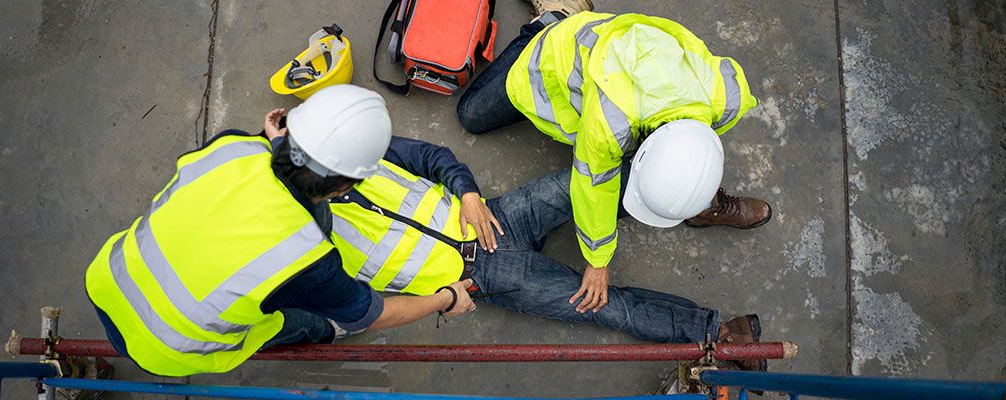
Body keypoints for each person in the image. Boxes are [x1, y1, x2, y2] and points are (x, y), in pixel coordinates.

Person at [261, 126, 769, 371]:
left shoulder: (349, 151)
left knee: (589, 184)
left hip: (494, 214)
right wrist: (445, 298)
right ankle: (720, 335)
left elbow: (430, 156)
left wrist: (468, 194)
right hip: (480, 275)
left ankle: (690, 201)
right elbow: (350, 315)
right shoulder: (307, 255)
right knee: (601, 304)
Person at [83, 85, 475, 377]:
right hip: (167, 346)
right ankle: (324, 331)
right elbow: (374, 314)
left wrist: (274, 145)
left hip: (108, 278)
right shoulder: (307, 257)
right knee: (304, 320)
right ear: (343, 188)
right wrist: (445, 298)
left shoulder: (232, 145)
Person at [456, 1, 773, 315]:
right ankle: (551, 19)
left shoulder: (726, 96)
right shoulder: (609, 124)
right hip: (551, 61)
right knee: (471, 114)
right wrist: (598, 260)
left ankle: (707, 204)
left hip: (620, 66)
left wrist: (694, 186)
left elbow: (700, 150)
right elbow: (592, 189)